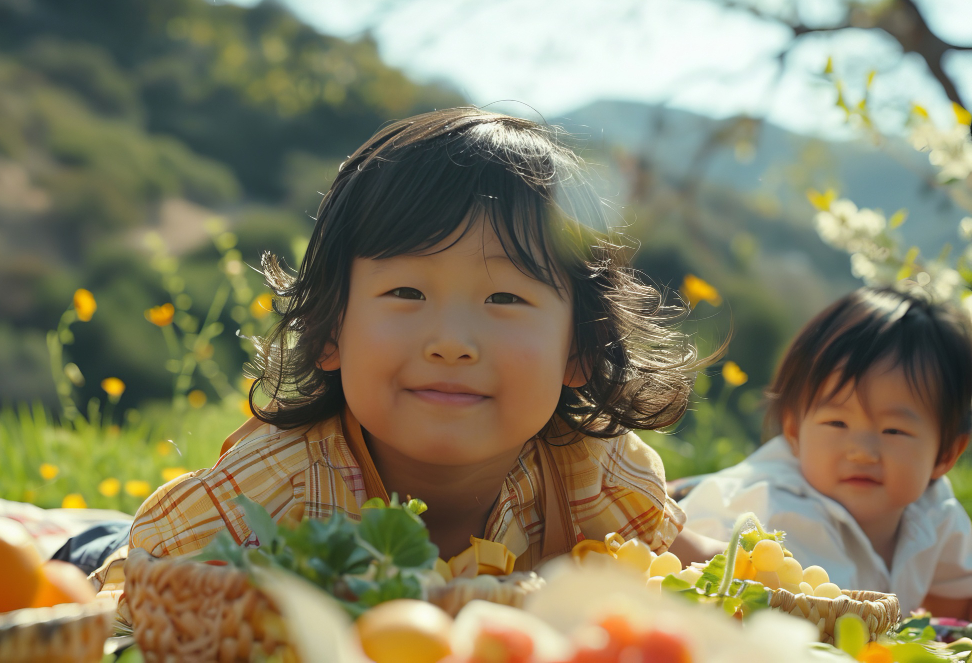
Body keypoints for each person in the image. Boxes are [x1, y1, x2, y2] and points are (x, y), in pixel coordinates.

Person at [89, 107, 721, 609]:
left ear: (577, 351)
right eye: (406, 292)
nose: (451, 341)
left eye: (505, 296)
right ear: (331, 329)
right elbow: (125, 604)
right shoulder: (283, 486)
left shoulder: (584, 467)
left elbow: (709, 575)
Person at [680, 286, 972, 617]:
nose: (862, 453)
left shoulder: (933, 512)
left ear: (945, 453)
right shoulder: (776, 515)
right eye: (836, 423)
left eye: (894, 430)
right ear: (793, 430)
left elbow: (957, 607)